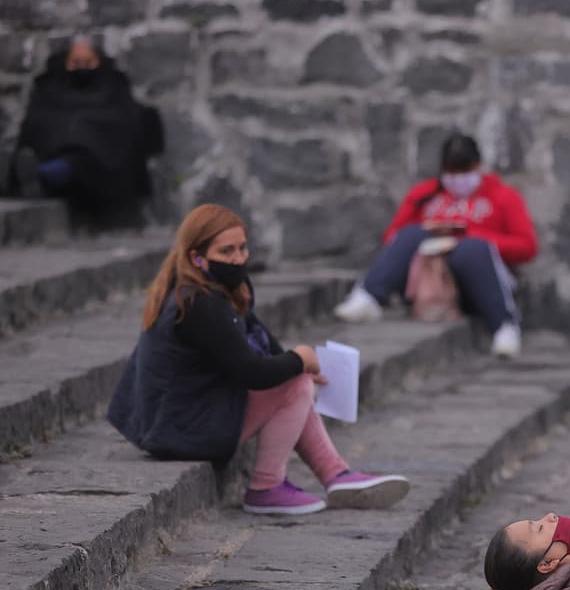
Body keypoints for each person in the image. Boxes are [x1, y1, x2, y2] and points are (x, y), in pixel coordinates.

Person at [108, 204, 410, 517]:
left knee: (295, 377)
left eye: (242, 248)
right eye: (226, 251)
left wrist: (298, 363)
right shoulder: (198, 304)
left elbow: (264, 349)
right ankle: (267, 487)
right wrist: (299, 361)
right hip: (179, 431)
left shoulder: (214, 290)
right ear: (197, 257)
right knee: (294, 383)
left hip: (181, 420)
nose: (238, 258)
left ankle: (336, 475)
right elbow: (252, 372)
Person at [335, 133, 537, 358]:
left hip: (475, 281)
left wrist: (468, 236)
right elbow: (393, 236)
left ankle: (504, 326)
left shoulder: (504, 197)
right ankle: (368, 296)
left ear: (478, 166)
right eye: (451, 172)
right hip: (428, 279)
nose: (458, 178)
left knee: (473, 249)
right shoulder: (425, 194)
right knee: (412, 233)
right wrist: (430, 232)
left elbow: (527, 247)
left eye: (464, 171)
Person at [8, 36, 163, 224]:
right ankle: (42, 175)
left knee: (79, 162)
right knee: (68, 158)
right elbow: (38, 121)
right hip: (55, 151)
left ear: (98, 61)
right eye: (76, 62)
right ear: (66, 62)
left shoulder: (112, 86)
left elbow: (127, 120)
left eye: (88, 62)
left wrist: (89, 132)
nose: (82, 67)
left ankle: (42, 174)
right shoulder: (51, 88)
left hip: (99, 162)